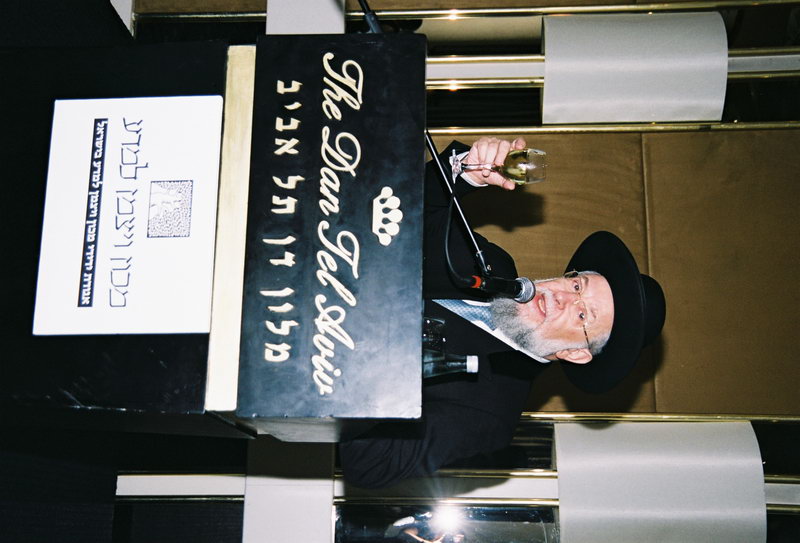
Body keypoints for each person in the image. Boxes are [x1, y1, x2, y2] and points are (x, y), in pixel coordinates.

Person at [339, 137, 666, 488]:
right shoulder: (491, 264)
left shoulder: (490, 413)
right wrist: (466, 173)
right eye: (576, 286)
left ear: (575, 353)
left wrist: (378, 366)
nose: (562, 298)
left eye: (583, 315)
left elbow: (370, 464)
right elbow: (405, 213)